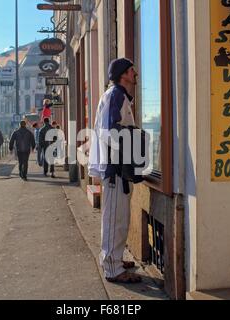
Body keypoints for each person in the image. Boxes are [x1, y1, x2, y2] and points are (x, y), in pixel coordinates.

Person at [88, 58, 142, 284]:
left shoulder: (118, 95)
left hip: (118, 166)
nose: (135, 73)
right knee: (114, 220)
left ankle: (115, 259)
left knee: (120, 218)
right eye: (131, 70)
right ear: (122, 75)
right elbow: (110, 131)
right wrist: (134, 138)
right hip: (115, 168)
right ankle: (112, 267)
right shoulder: (115, 94)